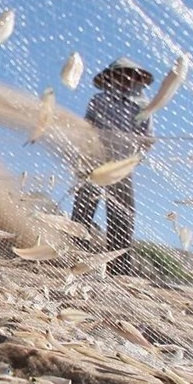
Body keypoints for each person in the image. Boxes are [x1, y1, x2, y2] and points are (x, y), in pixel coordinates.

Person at [69, 57, 155, 276]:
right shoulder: (99, 101)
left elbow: (147, 139)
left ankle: (119, 268)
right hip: (94, 162)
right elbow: (87, 128)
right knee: (83, 210)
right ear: (112, 78)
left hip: (121, 166)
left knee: (122, 215)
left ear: (137, 79)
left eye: (131, 76)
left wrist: (136, 155)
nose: (126, 80)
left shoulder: (144, 107)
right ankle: (74, 257)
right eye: (120, 75)